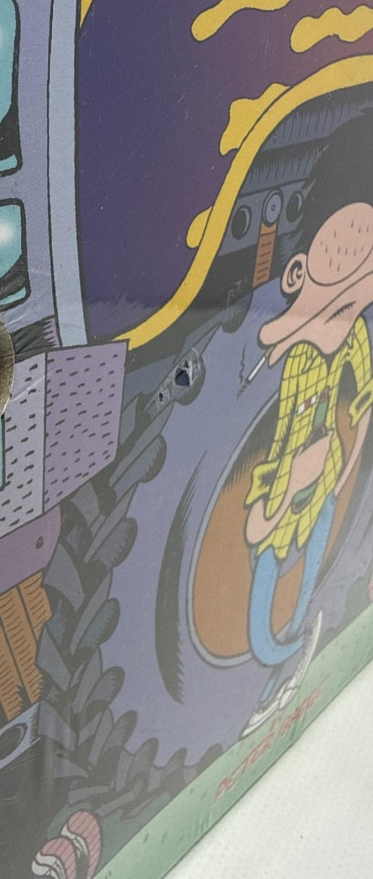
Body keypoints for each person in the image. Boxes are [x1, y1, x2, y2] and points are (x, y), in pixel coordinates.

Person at [242, 110, 373, 736]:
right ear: (297, 273)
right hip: (285, 489)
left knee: (308, 577)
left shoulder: (353, 342)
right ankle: (280, 662)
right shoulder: (293, 358)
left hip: (323, 487)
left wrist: (340, 468)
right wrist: (287, 485)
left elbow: (363, 400)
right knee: (262, 620)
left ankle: (293, 654)